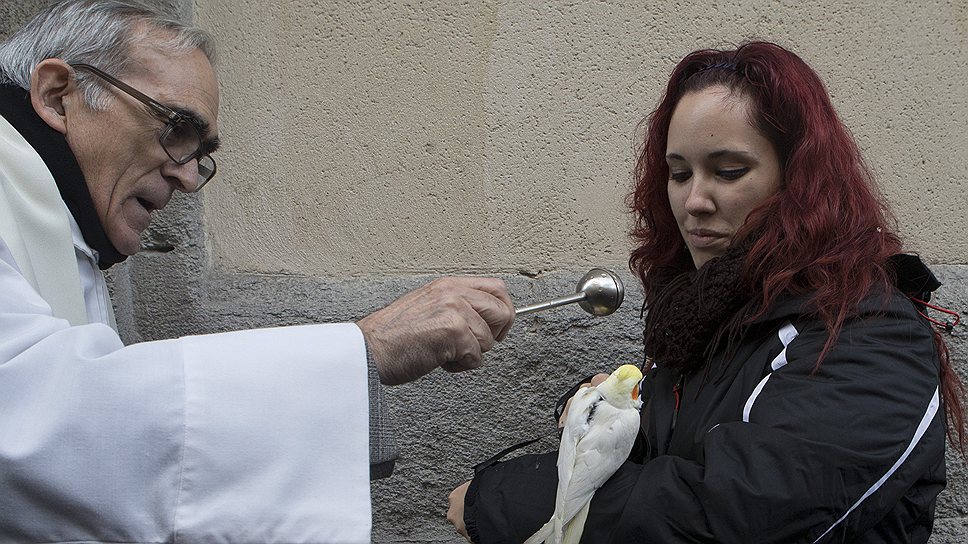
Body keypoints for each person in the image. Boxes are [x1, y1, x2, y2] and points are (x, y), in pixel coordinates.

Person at [0, 1, 515, 541]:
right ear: (59, 95)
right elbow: (35, 428)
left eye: (201, 154)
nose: (189, 179)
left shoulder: (64, 224)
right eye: (177, 128)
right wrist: (364, 350)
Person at [447, 41, 964, 542]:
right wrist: (601, 408)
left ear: (801, 183)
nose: (694, 200)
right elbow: (672, 447)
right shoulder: (707, 316)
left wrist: (502, 501)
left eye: (728, 171)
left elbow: (733, 513)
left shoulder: (870, 334)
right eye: (678, 173)